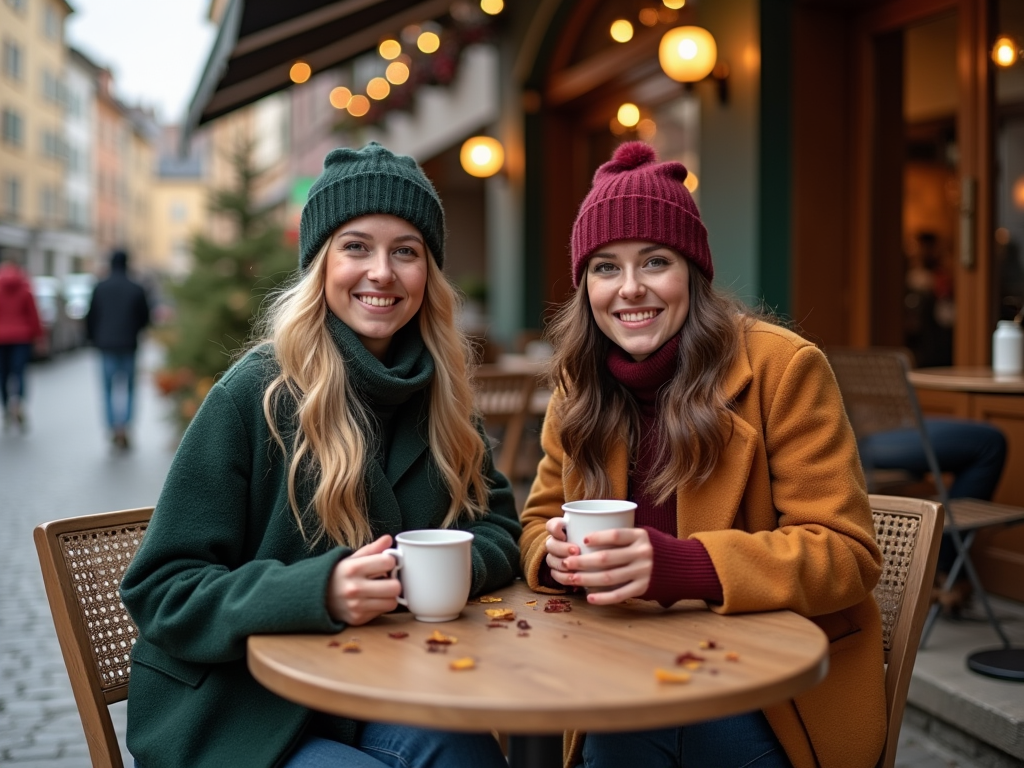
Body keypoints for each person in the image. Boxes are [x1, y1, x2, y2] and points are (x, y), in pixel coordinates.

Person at [120, 143, 520, 768]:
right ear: (320, 264)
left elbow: (497, 525)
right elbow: (162, 590)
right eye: (356, 246)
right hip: (240, 710)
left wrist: (454, 567)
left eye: (406, 251)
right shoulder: (255, 393)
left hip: (374, 682)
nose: (382, 272)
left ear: (429, 274)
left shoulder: (439, 392)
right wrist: (318, 591)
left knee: (465, 752)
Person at [520, 142, 885, 768]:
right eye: (605, 268)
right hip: (617, 663)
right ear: (585, 286)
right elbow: (535, 522)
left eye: (655, 261)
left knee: (619, 735)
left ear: (693, 270)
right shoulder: (578, 386)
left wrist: (682, 566)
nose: (630, 289)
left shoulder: (782, 368)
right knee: (613, 726)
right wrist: (555, 557)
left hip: (766, 688)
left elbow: (845, 553)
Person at [86, 249, 151, 449]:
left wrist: (93, 338)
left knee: (107, 389)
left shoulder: (100, 287)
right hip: (129, 345)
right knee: (130, 389)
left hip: (105, 346)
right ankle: (126, 427)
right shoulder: (136, 288)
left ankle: (113, 427)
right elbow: (145, 318)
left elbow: (91, 317)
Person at [0, 258, 43, 431]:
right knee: (19, 373)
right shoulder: (25, 286)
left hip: (1, 337)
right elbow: (33, 315)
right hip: (22, 337)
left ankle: (6, 407)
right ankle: (18, 402)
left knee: (3, 374)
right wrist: (39, 337)